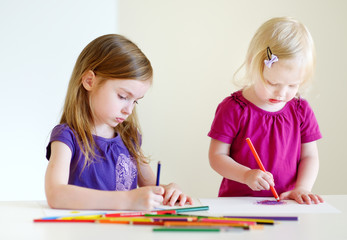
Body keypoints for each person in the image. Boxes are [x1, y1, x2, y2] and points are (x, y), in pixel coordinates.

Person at [45, 34, 192, 210]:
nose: (128, 110)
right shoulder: (67, 137)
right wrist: (126, 200)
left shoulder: (129, 138)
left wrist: (169, 190)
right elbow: (56, 195)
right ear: (89, 81)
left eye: (135, 101)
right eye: (123, 97)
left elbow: (151, 187)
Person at [208, 17, 324, 204]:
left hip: (286, 203)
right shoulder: (233, 108)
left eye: (293, 85)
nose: (281, 93)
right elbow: (217, 156)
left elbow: (310, 156)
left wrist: (302, 188)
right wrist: (246, 175)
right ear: (253, 65)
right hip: (239, 205)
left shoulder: (301, 110)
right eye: (272, 83)